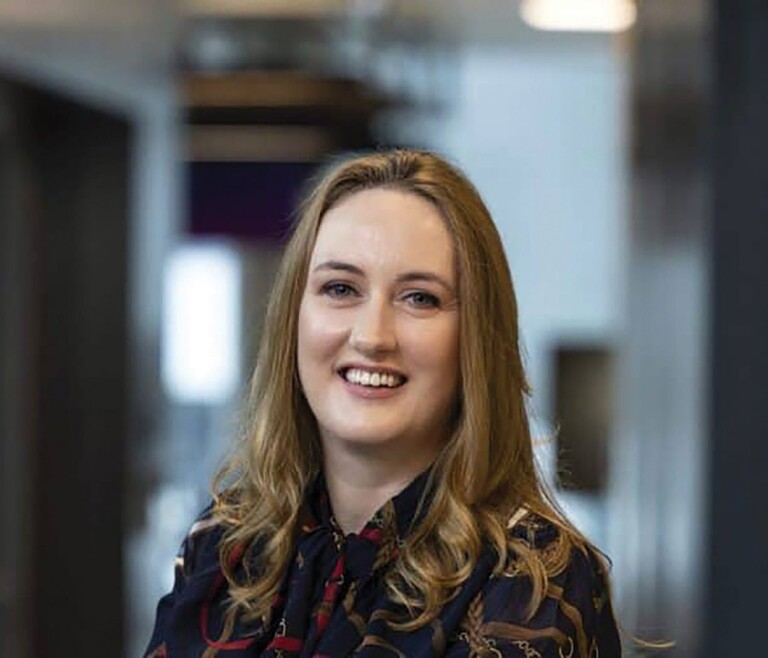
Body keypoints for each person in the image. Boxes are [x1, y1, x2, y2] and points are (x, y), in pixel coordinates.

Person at [145, 149, 621, 657]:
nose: (372, 336)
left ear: (476, 340)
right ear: (293, 318)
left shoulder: (535, 582)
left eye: (420, 298)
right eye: (340, 288)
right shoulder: (223, 545)